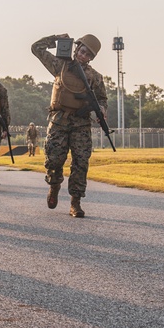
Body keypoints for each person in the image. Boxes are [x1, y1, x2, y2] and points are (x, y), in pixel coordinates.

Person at [31, 33, 107, 218]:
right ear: (76, 48)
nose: (83, 56)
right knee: (54, 159)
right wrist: (56, 38)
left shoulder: (94, 77)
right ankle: (54, 185)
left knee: (81, 162)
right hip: (59, 121)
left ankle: (75, 202)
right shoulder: (60, 65)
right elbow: (36, 48)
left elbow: (102, 99)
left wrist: (102, 110)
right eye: (82, 51)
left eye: (88, 55)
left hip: (81, 124)